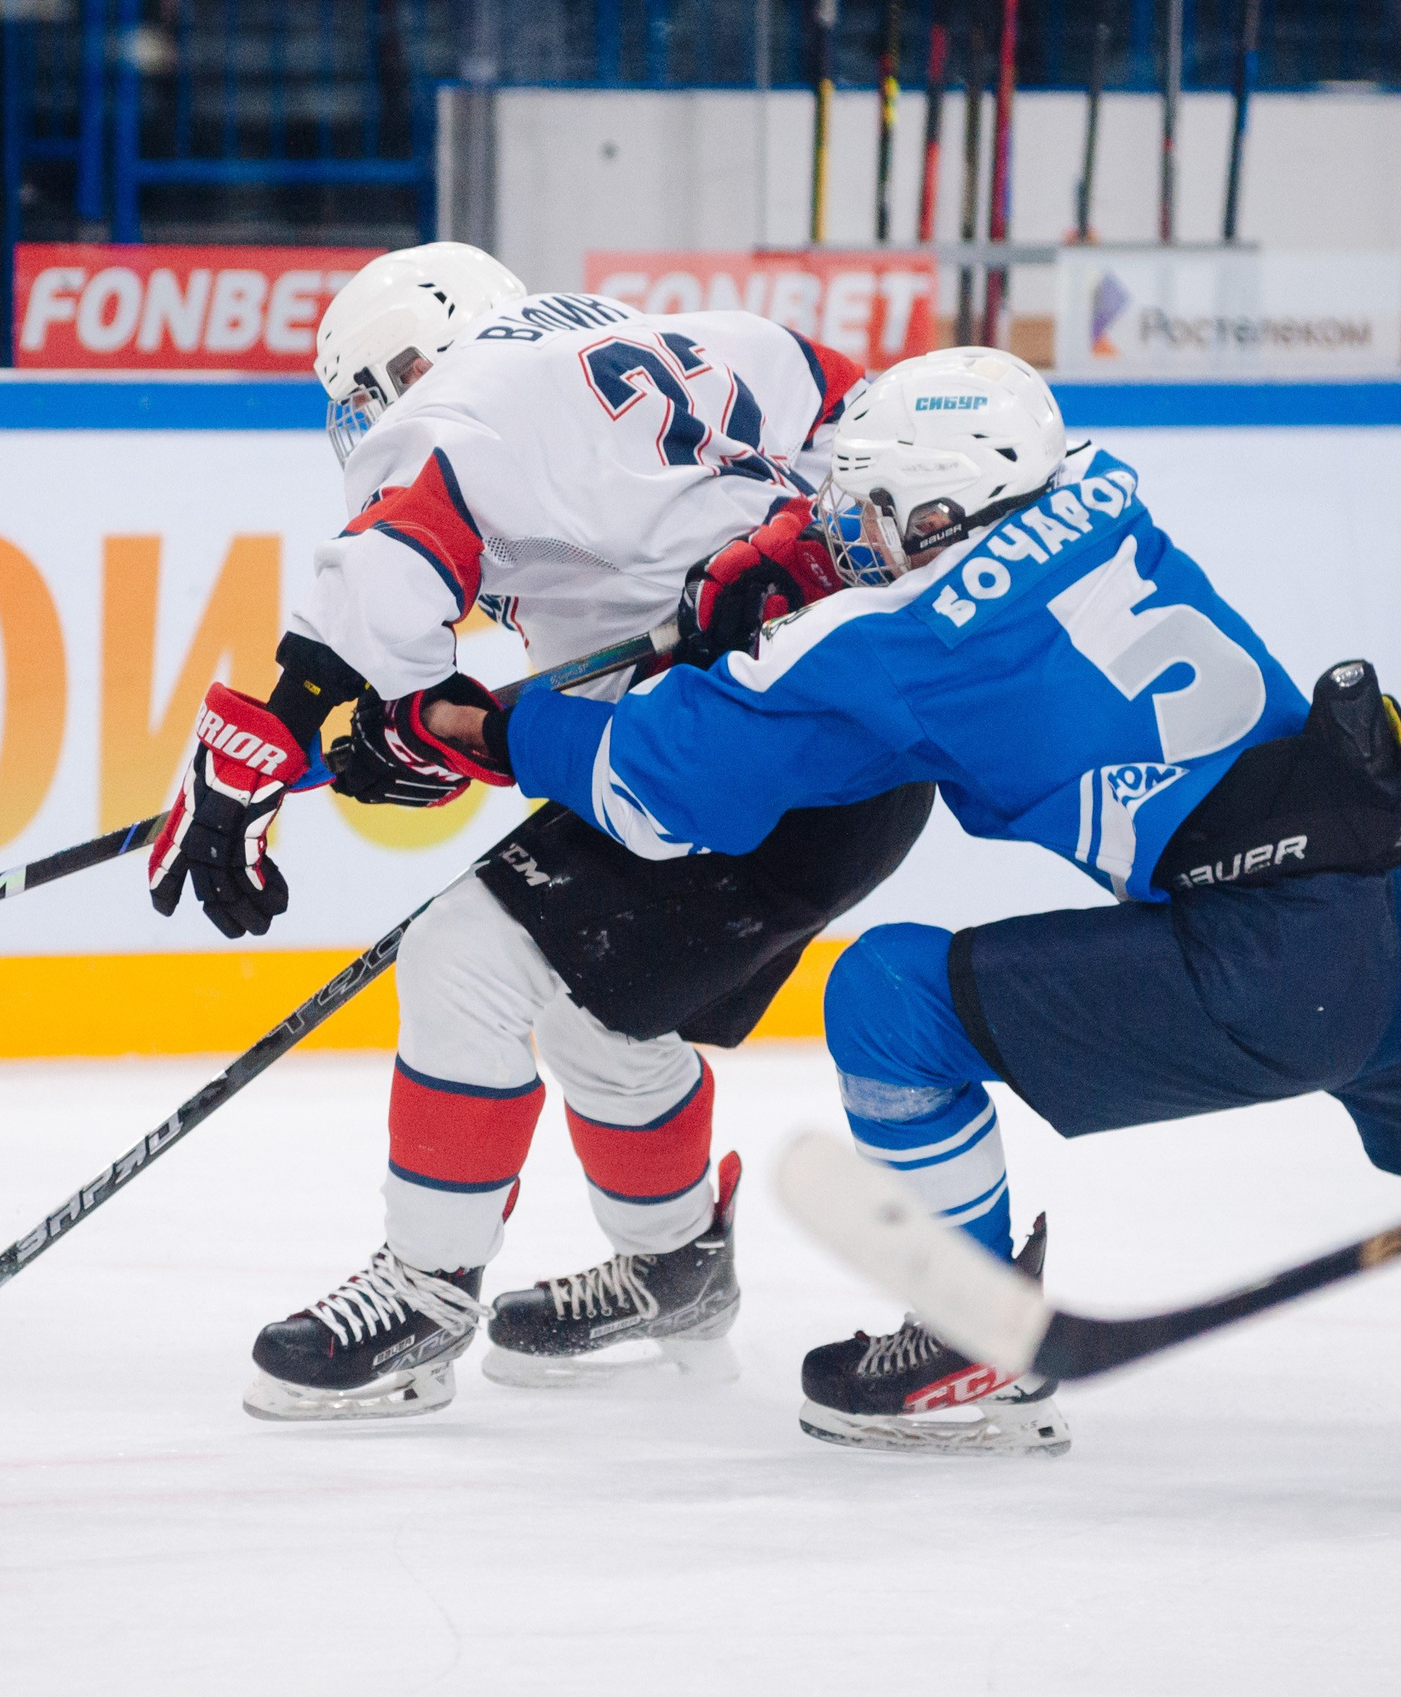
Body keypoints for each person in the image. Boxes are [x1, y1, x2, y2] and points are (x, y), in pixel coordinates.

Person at [455, 346, 1401, 1455]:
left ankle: (968, 1345)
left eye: (871, 510)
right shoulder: (1102, 490)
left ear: (937, 507)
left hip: (1275, 954)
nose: (852, 531)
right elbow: (960, 639)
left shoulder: (893, 642)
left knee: (888, 997)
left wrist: (493, 730)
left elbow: (664, 788)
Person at [148, 242, 935, 1420]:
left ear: (409, 360)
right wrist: (403, 736)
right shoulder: (713, 340)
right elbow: (877, 431)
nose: (362, 427)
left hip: (742, 762)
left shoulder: (460, 404)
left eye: (362, 397)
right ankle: (677, 1269)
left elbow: (380, 581)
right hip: (849, 759)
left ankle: (422, 1294)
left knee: (467, 951)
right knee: (596, 1005)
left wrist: (267, 738)